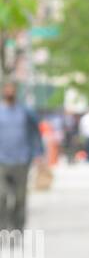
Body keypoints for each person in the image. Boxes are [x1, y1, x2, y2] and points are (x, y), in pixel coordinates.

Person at [0, 81, 44, 230]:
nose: (9, 91)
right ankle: (3, 228)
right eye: (7, 88)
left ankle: (17, 228)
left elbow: (36, 133)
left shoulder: (25, 112)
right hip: (2, 161)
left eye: (12, 89)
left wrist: (38, 153)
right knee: (2, 196)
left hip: (22, 160)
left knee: (20, 198)